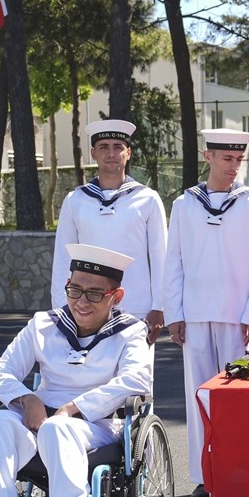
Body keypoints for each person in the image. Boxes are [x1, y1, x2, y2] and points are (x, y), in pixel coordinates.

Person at [0, 244, 153, 497]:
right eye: (74, 289)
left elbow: (136, 382)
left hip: (98, 425)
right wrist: (27, 398)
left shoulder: (130, 332)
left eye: (94, 294)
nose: (81, 301)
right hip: (40, 420)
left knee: (59, 427)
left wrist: (74, 408)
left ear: (115, 297)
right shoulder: (43, 325)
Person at [163, 128, 249, 497]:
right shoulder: (184, 205)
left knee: (236, 399)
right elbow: (173, 261)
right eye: (227, 159)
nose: (234, 167)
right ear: (208, 157)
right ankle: (203, 474)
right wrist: (174, 313)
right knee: (199, 397)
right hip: (195, 314)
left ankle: (237, 470)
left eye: (239, 160)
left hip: (235, 315)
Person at [50, 119, 167, 344]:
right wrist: (61, 309)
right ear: (93, 153)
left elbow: (161, 257)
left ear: (128, 153)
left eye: (118, 147)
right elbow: (63, 259)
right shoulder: (76, 200)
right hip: (86, 308)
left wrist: (159, 307)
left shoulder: (147, 198)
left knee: (136, 377)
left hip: (137, 308)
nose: (111, 153)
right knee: (89, 377)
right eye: (104, 147)